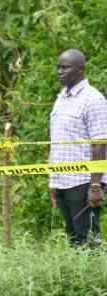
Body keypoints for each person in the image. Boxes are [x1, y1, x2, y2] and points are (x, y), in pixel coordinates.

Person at [49, 49, 107, 246]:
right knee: (73, 237)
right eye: (58, 67)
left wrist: (95, 185)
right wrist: (53, 181)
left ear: (81, 69)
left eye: (65, 67)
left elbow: (100, 145)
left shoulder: (93, 100)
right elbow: (57, 141)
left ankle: (95, 266)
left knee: (89, 237)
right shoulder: (61, 98)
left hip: (83, 181)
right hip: (62, 180)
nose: (60, 71)